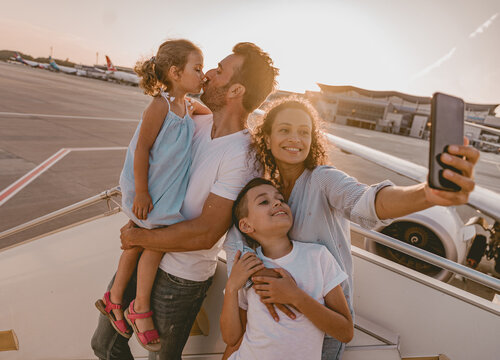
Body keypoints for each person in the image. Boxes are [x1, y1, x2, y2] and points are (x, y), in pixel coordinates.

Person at [224, 96, 479, 360]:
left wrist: (427, 194)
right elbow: (237, 247)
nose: (295, 139)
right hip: (269, 328)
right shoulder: (268, 193)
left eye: (304, 132)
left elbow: (368, 203)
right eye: (284, 130)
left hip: (323, 326)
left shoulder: (322, 179)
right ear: (267, 138)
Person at [91, 42, 279, 360]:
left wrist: (139, 235)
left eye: (219, 71)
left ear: (236, 90)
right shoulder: (195, 123)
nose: (207, 74)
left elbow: (206, 232)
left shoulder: (243, 156)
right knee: (105, 345)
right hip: (143, 253)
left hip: (180, 275)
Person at [94, 39, 209, 351]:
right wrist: (142, 192)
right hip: (148, 189)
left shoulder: (185, 105)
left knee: (145, 241)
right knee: (149, 242)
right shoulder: (160, 106)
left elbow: (207, 112)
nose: (202, 74)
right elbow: (142, 149)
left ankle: (115, 297)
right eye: (196, 69)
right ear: (174, 72)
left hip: (165, 189)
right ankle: (137, 306)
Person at [221, 178, 353, 360]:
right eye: (264, 201)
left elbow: (345, 332)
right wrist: (232, 287)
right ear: (245, 225)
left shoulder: (317, 256)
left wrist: (295, 296)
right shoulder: (246, 267)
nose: (277, 202)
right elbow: (231, 338)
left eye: (281, 199)